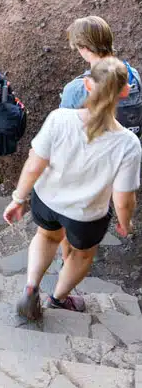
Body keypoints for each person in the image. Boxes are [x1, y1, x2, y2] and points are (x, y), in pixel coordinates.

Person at [6, 58, 141, 320]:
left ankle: (31, 287)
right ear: (125, 92)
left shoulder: (59, 119)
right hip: (86, 215)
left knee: (46, 236)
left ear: (87, 85)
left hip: (46, 201)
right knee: (81, 255)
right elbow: (123, 198)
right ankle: (58, 299)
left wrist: (18, 198)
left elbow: (34, 165)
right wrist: (125, 223)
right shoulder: (129, 144)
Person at [59, 16, 141, 269]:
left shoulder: (77, 88)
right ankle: (124, 222)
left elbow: (64, 131)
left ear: (84, 48)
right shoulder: (133, 74)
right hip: (126, 155)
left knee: (71, 213)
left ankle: (69, 261)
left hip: (93, 163)